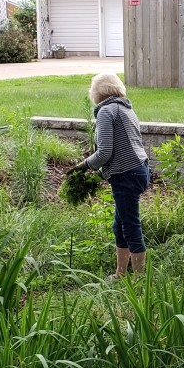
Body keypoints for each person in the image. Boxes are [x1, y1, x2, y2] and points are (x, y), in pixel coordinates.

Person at [68, 72, 150, 279]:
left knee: (130, 226)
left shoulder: (106, 111)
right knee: (120, 225)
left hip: (126, 174)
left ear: (97, 92)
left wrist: (83, 166)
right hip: (139, 169)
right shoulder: (126, 108)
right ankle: (120, 274)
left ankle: (140, 281)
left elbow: (105, 151)